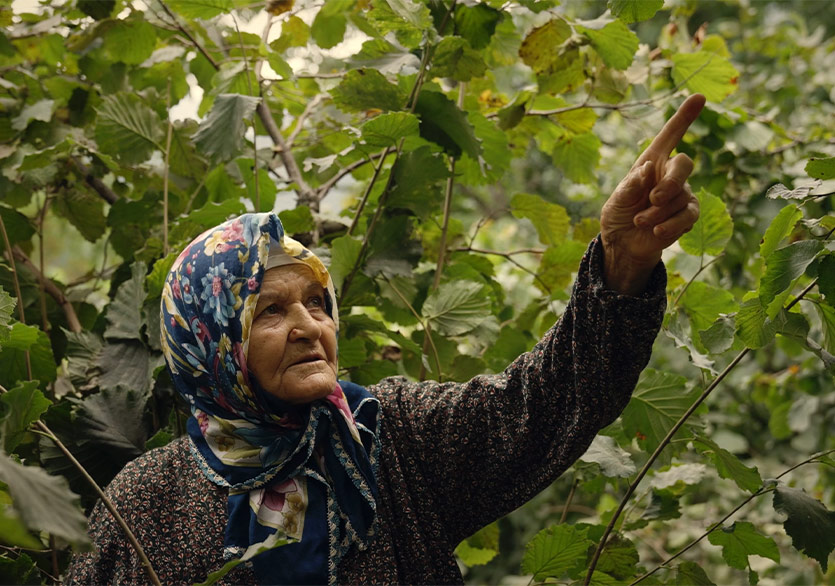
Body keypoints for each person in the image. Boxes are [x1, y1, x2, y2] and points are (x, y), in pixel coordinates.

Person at [66, 94, 705, 585]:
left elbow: (545, 402)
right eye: (268, 312)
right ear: (209, 346)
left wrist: (622, 266)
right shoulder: (149, 503)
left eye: (317, 304)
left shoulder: (392, 438)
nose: (308, 327)